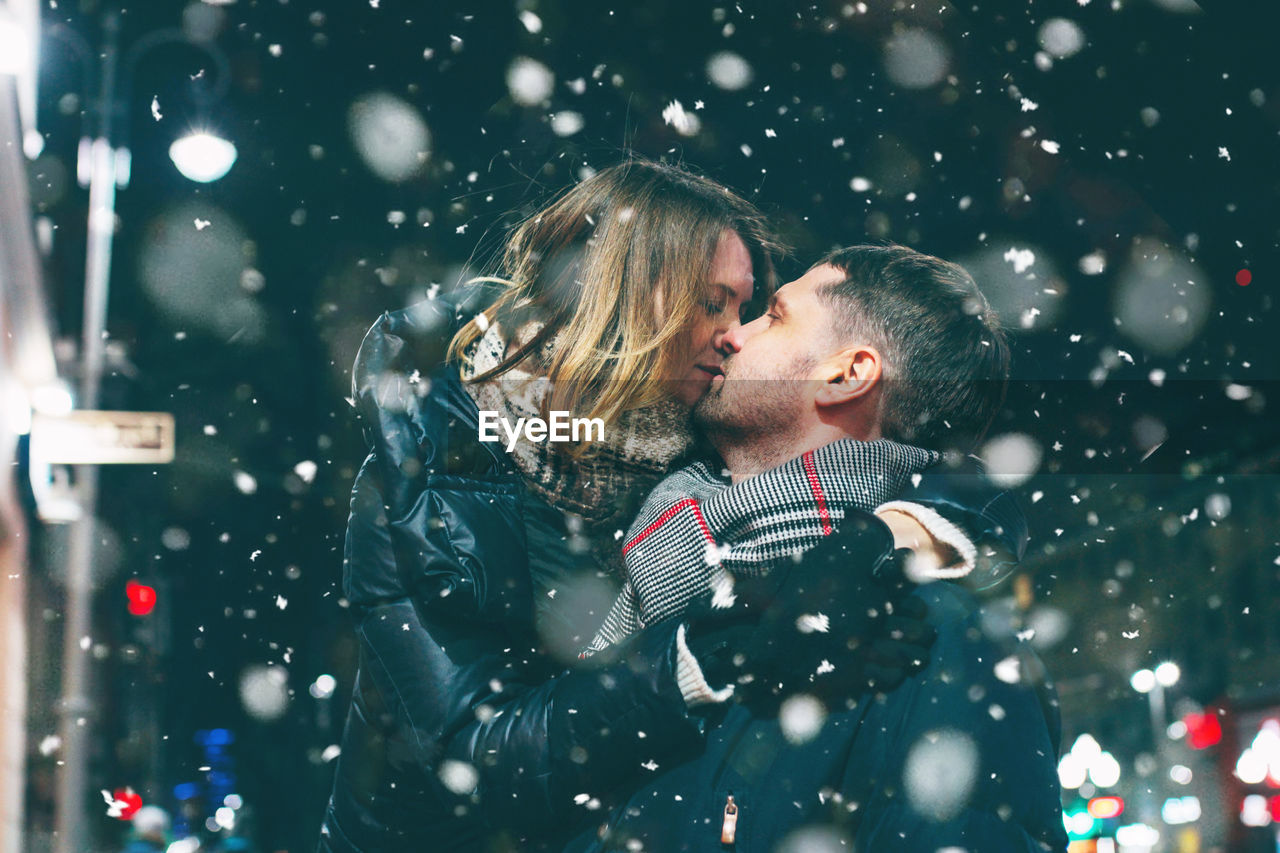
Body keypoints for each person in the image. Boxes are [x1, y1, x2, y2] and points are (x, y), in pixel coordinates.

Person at [317, 160, 1016, 852]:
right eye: (714, 303)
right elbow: (473, 762)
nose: (734, 334)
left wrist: (890, 533)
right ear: (624, 295)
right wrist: (698, 658)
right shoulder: (428, 473)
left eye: (753, 310)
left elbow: (905, 467)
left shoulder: (703, 465)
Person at [568, 245, 1067, 852]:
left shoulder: (928, 637)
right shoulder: (657, 579)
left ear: (847, 374)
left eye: (773, 316)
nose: (732, 335)